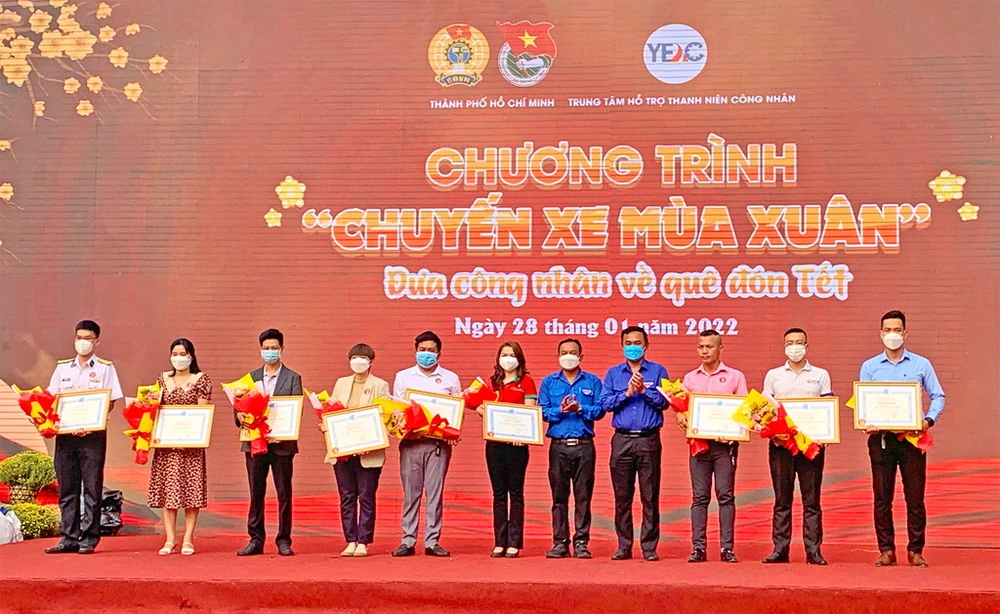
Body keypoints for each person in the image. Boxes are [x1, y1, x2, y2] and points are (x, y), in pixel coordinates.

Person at [860, 310, 945, 568]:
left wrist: (928, 420)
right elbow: (864, 404)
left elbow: (938, 396)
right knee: (882, 498)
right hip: (882, 440)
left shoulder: (921, 364)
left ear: (905, 333)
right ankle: (886, 550)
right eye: (888, 330)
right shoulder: (869, 367)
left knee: (915, 498)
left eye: (897, 330)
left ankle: (915, 550)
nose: (892, 335)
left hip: (912, 439)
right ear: (880, 334)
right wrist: (865, 421)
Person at [44, 320, 123, 555]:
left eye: (88, 338)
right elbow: (51, 399)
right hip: (66, 436)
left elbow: (110, 401)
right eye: (79, 338)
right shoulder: (62, 369)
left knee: (91, 488)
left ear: (97, 341)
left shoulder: (105, 368)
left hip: (93, 435)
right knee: (67, 488)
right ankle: (68, 537)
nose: (83, 342)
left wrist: (91, 422)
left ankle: (89, 538)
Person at [761, 328, 833, 565]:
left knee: (811, 500)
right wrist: (773, 433)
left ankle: (813, 550)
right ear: (784, 347)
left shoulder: (821, 375)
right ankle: (780, 549)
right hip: (781, 445)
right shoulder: (773, 375)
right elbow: (765, 411)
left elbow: (828, 409)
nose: (795, 347)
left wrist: (825, 433)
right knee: (782, 499)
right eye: (790, 343)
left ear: (806, 346)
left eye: (799, 342)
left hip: (811, 446)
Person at [677, 329, 748, 563]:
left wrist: (735, 432)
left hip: (725, 447)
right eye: (701, 347)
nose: (705, 351)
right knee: (699, 497)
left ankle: (727, 548)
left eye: (709, 346)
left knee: (725, 496)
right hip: (698, 445)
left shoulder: (735, 376)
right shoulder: (690, 378)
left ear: (720, 348)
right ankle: (698, 548)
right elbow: (682, 408)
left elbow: (745, 412)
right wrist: (680, 415)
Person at [600, 326, 669, 561]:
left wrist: (644, 391)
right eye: (628, 343)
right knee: (622, 496)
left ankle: (649, 547)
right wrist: (627, 393)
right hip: (622, 439)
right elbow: (605, 404)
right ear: (622, 346)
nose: (633, 347)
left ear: (646, 345)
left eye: (637, 343)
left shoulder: (658, 371)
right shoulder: (613, 373)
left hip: (648, 439)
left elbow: (665, 402)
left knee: (650, 496)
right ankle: (624, 545)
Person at [391, 331, 461, 557]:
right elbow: (397, 410)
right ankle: (407, 540)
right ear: (415, 351)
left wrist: (452, 431)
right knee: (411, 494)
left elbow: (456, 410)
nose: (426, 354)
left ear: (439, 352)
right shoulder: (403, 377)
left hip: (438, 445)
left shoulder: (450, 378)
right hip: (411, 443)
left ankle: (432, 541)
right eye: (422, 350)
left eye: (431, 350)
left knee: (435, 494)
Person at [464, 341, 537, 558]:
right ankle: (499, 541)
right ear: (498, 359)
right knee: (498, 494)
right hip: (494, 445)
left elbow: (530, 412)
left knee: (516, 493)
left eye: (512, 355)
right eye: (504, 354)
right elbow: (471, 401)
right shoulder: (490, 383)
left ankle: (514, 542)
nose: (508, 359)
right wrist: (480, 409)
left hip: (517, 446)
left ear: (519, 359)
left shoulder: (527, 382)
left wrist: (523, 436)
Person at [235, 329, 302, 557]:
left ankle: (283, 540)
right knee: (256, 492)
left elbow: (295, 411)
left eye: (274, 348)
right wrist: (239, 416)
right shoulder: (250, 378)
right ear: (260, 350)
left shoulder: (293, 378)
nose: (270, 352)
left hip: (282, 445)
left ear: (282, 349)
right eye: (266, 348)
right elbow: (238, 409)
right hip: (255, 444)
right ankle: (256, 539)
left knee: (284, 493)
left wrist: (284, 432)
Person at [538, 338, 605, 559]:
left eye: (573, 352)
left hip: (584, 447)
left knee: (583, 497)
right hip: (558, 447)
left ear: (581, 356)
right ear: (558, 356)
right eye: (564, 352)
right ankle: (559, 543)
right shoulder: (549, 382)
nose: (568, 356)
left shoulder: (593, 381)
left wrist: (580, 408)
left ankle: (581, 543)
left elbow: (600, 410)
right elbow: (541, 411)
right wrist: (560, 410)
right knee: (559, 497)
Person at [148, 338, 212, 556]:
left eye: (183, 354)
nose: (179, 358)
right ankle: (170, 539)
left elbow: (202, 414)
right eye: (175, 353)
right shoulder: (163, 379)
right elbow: (154, 409)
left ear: (191, 356)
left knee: (191, 493)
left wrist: (190, 439)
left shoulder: (200, 379)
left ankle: (188, 538)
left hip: (191, 448)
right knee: (169, 492)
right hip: (167, 447)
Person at [327, 343, 390, 557]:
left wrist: (370, 440)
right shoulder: (341, 383)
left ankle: (363, 541)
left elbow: (385, 417)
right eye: (354, 357)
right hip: (343, 451)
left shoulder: (380, 385)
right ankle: (350, 540)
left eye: (362, 357)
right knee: (347, 496)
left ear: (371, 361)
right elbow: (331, 412)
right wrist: (325, 425)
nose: (358, 361)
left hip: (369, 453)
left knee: (366, 496)